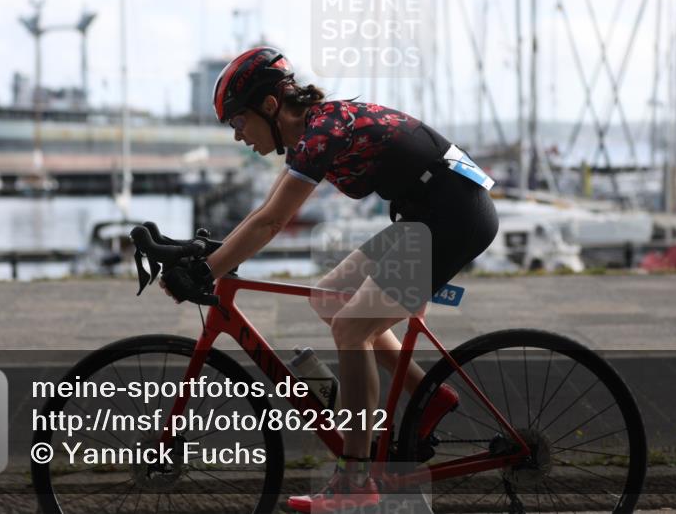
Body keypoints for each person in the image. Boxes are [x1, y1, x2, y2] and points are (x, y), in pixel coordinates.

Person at [166, 46, 499, 512]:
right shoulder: (315, 130)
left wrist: (206, 271)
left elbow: (271, 223)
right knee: (330, 298)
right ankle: (428, 397)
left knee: (350, 328)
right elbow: (265, 212)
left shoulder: (322, 133)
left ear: (269, 106)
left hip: (453, 216)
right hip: (431, 212)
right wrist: (212, 255)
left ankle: (356, 482)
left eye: (238, 121)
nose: (239, 135)